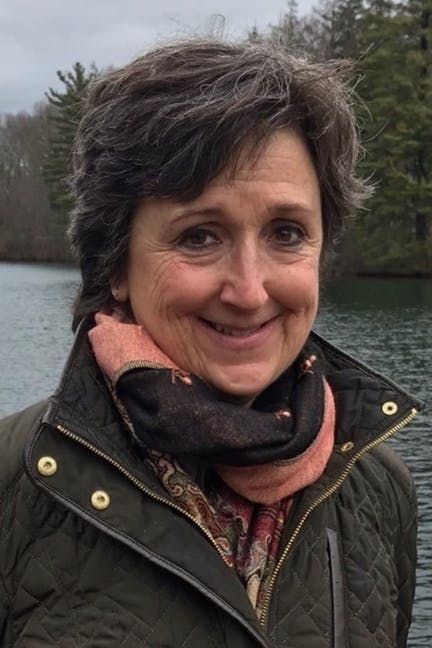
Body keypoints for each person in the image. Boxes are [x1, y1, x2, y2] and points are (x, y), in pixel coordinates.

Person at [0, 38, 423, 648]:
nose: (249, 291)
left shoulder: (379, 488)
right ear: (116, 264)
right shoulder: (17, 485)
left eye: (286, 233)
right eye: (199, 237)